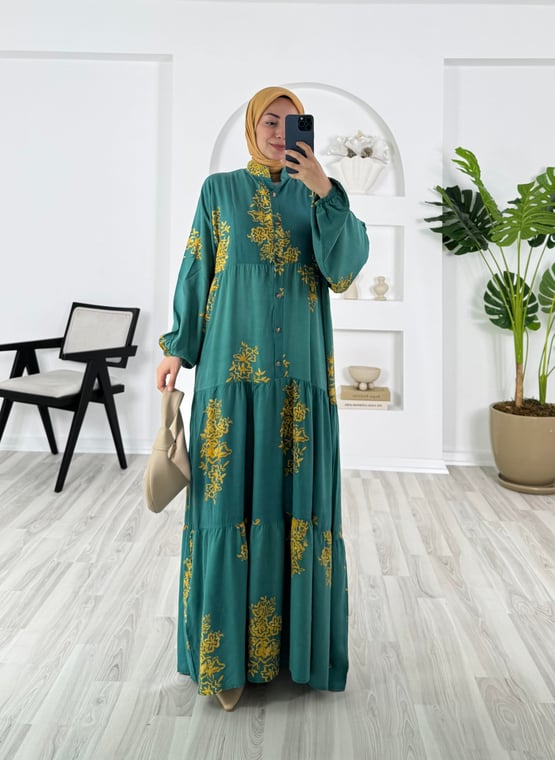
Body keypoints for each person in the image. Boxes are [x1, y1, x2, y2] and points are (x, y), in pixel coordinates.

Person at [156, 85, 369, 711]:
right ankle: (225, 661)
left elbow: (345, 269)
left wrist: (326, 190)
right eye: (269, 122)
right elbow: (198, 270)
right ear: (252, 127)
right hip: (231, 382)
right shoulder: (218, 191)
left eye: (291, 122)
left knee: (294, 509)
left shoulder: (318, 196)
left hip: (299, 382)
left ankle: (293, 655)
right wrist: (177, 347)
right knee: (226, 510)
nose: (280, 133)